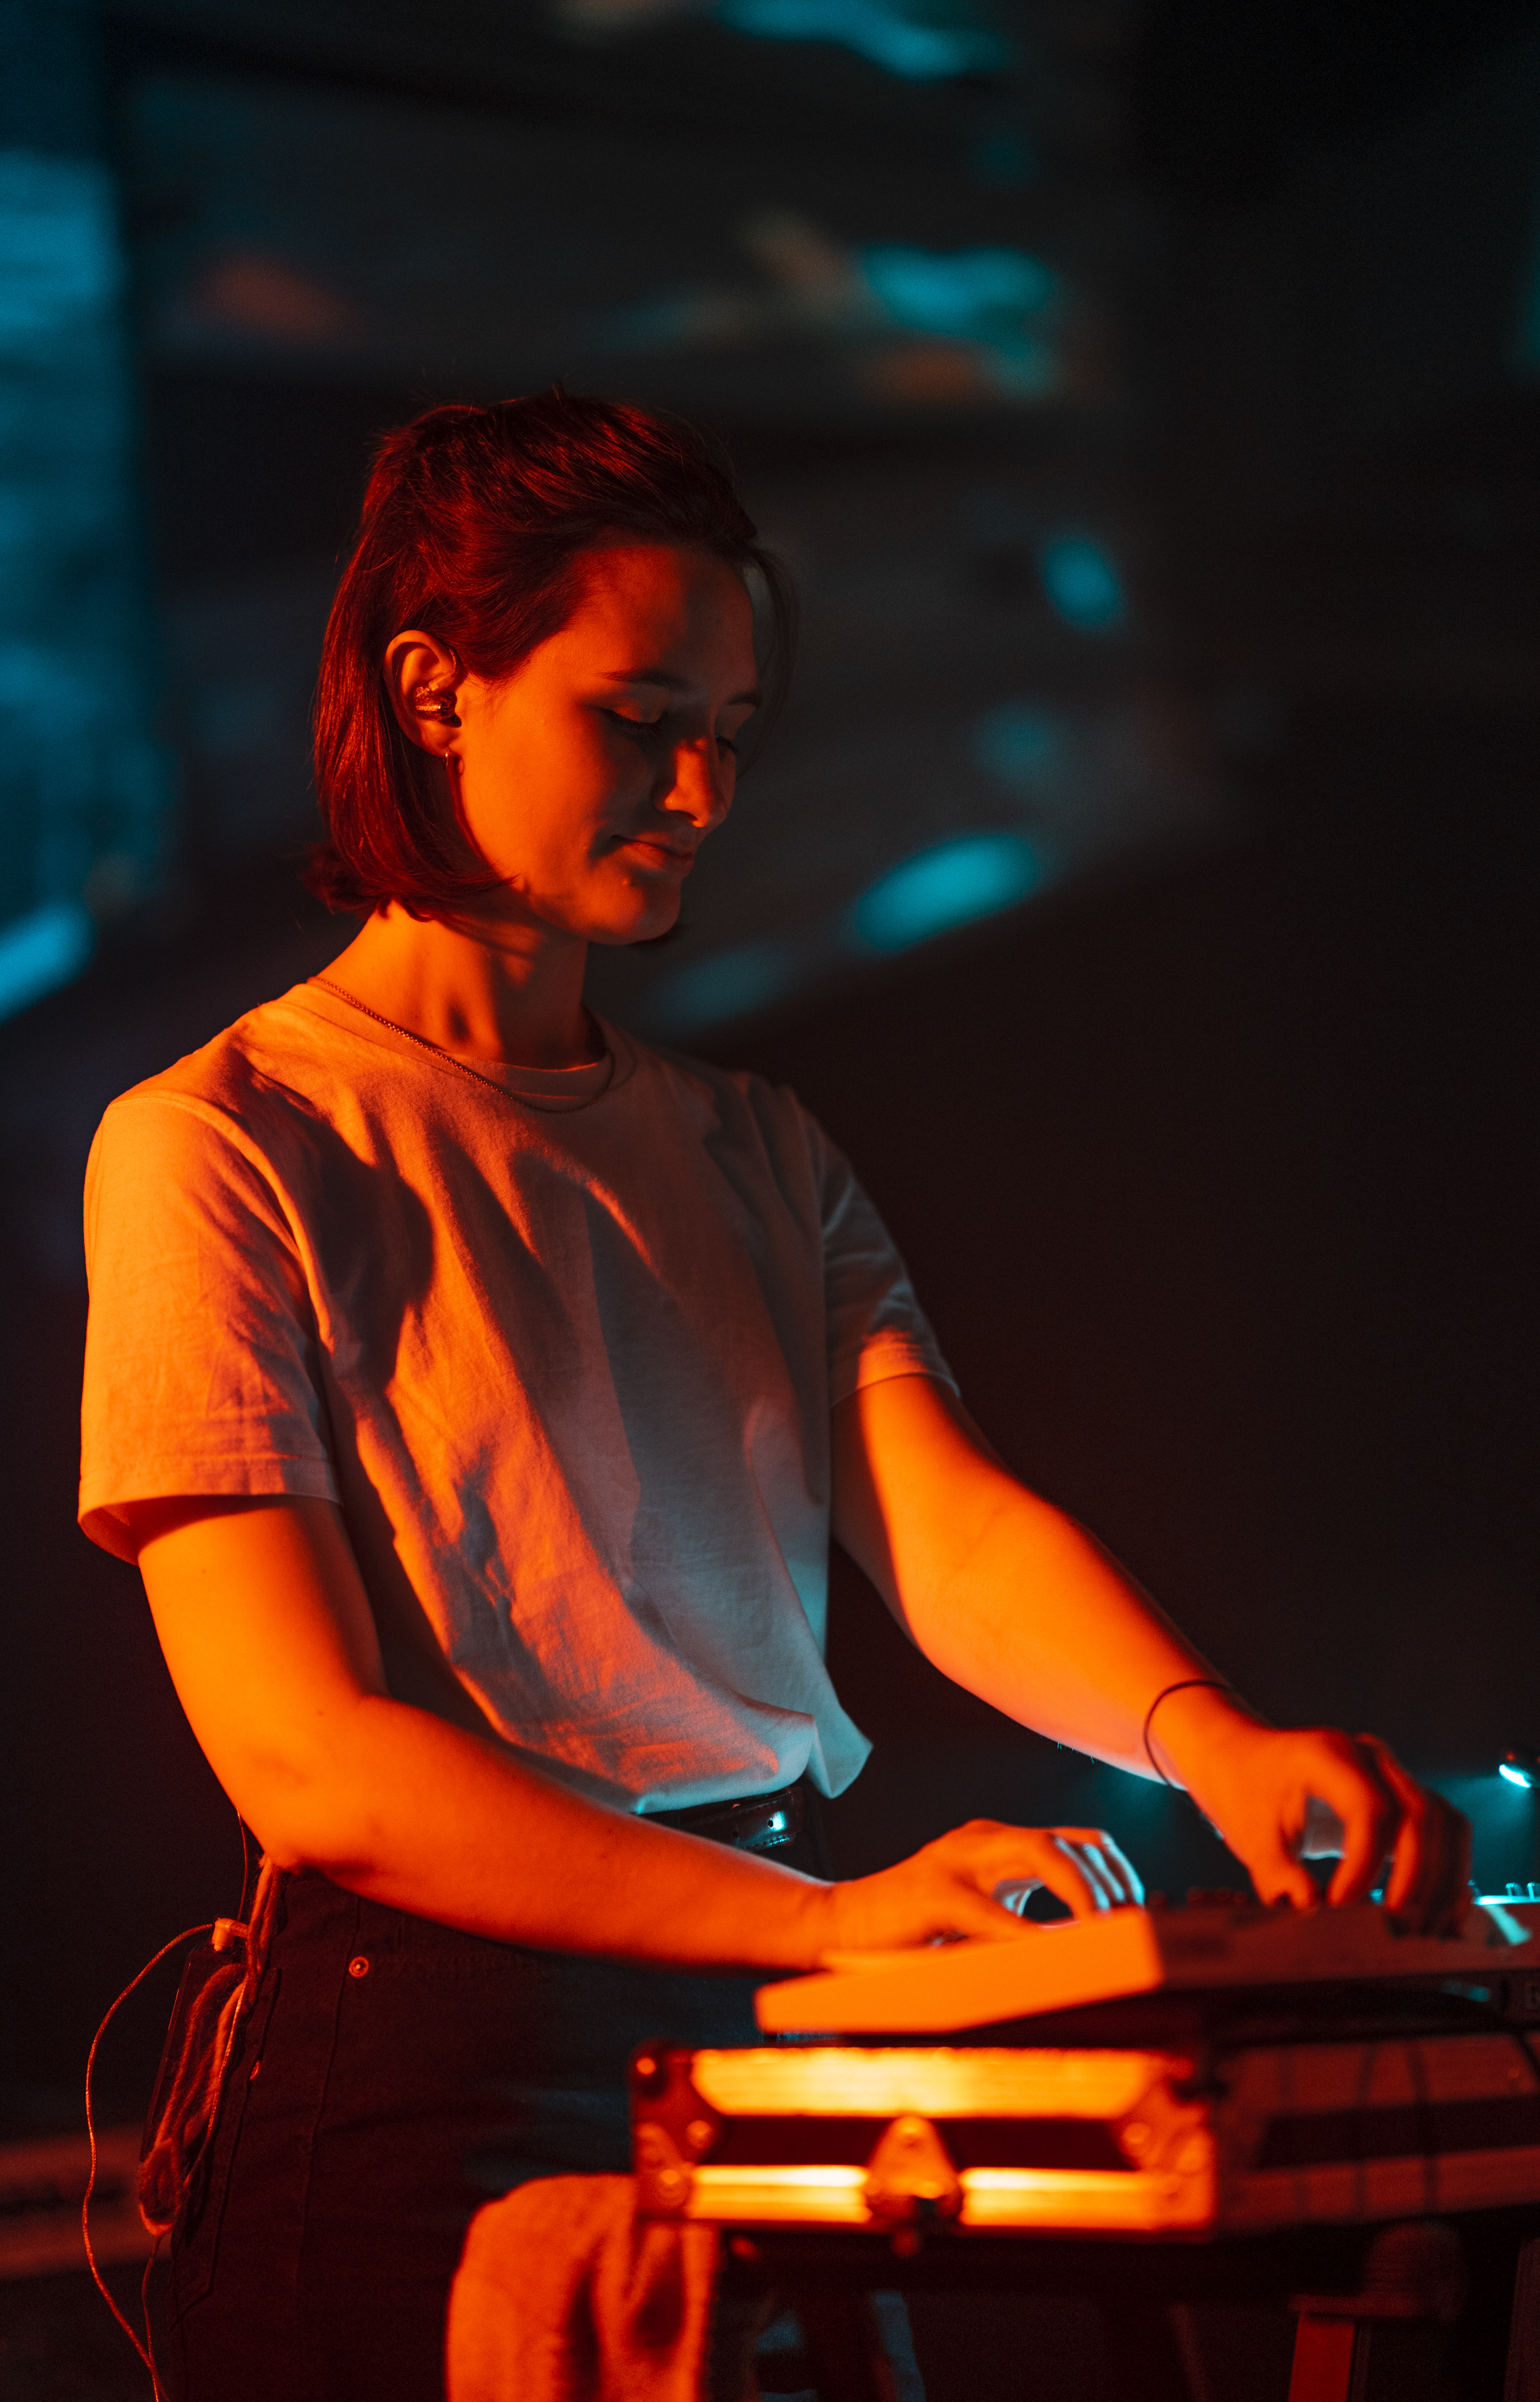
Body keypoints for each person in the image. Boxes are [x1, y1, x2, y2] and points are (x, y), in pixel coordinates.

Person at [79, 390, 1469, 2402]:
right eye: (641, 720)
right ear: (434, 691)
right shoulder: (224, 1140)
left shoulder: (758, 1147)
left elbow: (947, 1530)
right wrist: (826, 1920)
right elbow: (311, 1763)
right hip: (429, 2078)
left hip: (765, 2000)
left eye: (730, 735)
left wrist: (1212, 1744)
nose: (703, 792)